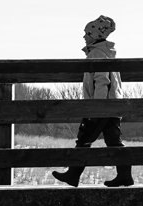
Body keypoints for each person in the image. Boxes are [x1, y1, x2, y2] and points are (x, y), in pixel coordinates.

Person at [53, 15, 133, 187]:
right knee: (113, 140)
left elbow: (102, 81)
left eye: (86, 33)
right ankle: (125, 175)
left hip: (101, 105)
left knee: (85, 138)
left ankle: (73, 175)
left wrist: (95, 108)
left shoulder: (96, 53)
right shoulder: (108, 53)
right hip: (114, 104)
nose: (83, 36)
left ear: (95, 34)